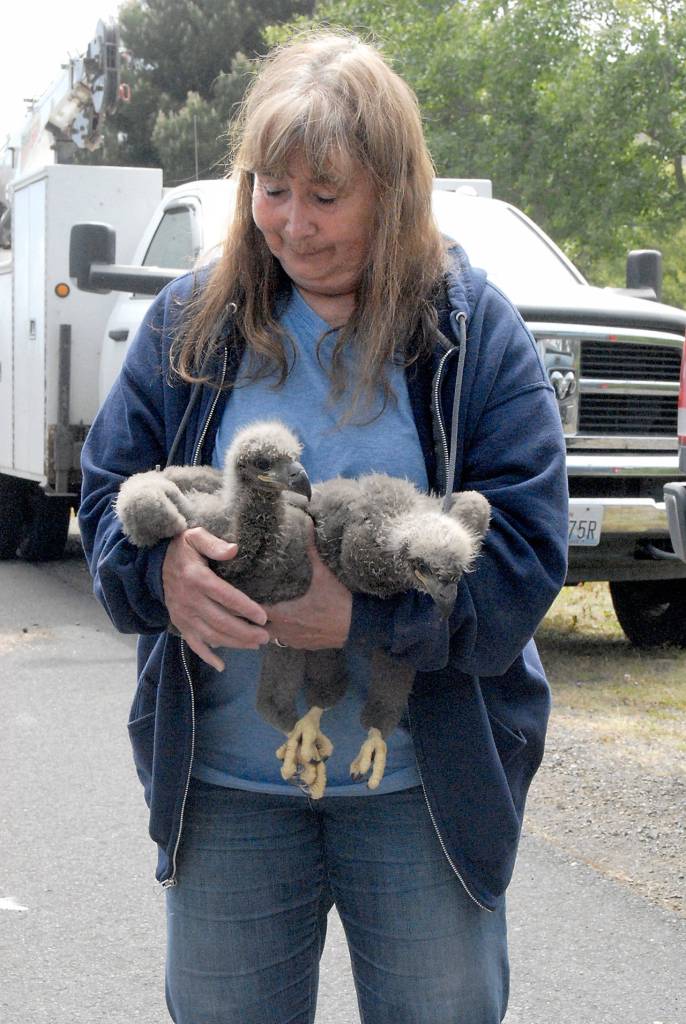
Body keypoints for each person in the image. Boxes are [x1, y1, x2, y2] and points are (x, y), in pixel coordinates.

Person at [79, 30, 568, 1024]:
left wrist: (357, 619)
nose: (289, 225)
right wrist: (158, 572)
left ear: (391, 188)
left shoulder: (472, 337)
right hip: (226, 790)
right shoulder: (189, 324)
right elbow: (103, 503)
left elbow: (521, 557)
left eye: (325, 195)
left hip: (419, 797)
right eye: (269, 187)